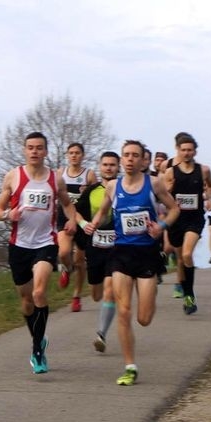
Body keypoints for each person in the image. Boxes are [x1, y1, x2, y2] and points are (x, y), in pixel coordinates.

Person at [85, 140, 180, 386]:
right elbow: (104, 209)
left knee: (144, 318)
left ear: (142, 160)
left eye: (134, 155)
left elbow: (174, 209)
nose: (129, 159)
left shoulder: (154, 183)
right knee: (124, 311)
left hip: (147, 253)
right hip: (121, 253)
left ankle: (151, 296)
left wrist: (161, 226)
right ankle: (130, 366)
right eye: (125, 155)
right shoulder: (113, 186)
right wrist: (93, 223)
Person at [0, 132, 76, 373]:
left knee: (39, 292)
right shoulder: (13, 176)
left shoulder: (55, 179)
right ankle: (38, 337)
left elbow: (67, 203)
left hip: (45, 243)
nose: (34, 152)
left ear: (46, 151)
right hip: (19, 245)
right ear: (24, 150)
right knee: (26, 301)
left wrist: (72, 220)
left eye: (39, 148)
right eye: (30, 147)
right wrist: (7, 215)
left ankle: (37, 351)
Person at [161, 132, 211, 315]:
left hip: (195, 219)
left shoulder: (203, 170)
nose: (186, 153)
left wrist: (210, 198)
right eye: (183, 150)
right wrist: (169, 189)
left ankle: (190, 295)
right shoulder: (170, 172)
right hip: (176, 220)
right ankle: (185, 293)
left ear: (195, 151)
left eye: (190, 150)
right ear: (178, 150)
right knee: (181, 260)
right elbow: (163, 195)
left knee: (187, 253)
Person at [78, 150, 120, 352]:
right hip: (95, 247)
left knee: (110, 291)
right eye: (105, 165)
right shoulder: (92, 190)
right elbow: (76, 211)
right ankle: (102, 298)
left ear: (118, 167)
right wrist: (83, 223)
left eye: (113, 164)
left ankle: (101, 334)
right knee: (96, 293)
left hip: (118, 247)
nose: (109, 168)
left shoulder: (124, 189)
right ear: (100, 167)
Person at [60, 143, 97, 312]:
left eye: (77, 153)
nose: (74, 156)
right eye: (71, 153)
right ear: (67, 155)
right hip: (64, 218)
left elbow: (97, 199)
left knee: (80, 261)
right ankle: (67, 269)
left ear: (82, 155)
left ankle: (76, 296)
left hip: (83, 220)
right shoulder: (60, 174)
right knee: (64, 252)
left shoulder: (89, 175)